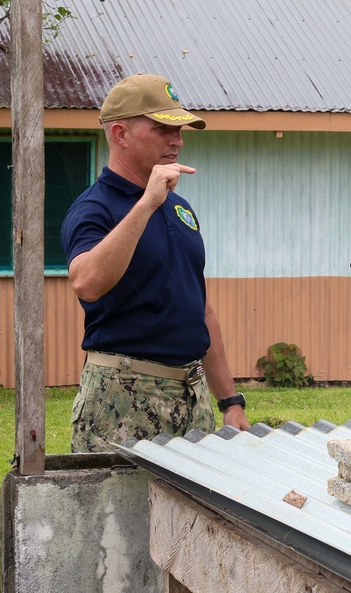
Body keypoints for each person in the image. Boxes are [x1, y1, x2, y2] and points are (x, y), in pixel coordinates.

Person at [61, 73, 250, 452]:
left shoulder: (179, 207)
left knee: (190, 513)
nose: (177, 140)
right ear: (120, 134)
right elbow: (87, 282)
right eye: (163, 129)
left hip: (191, 397)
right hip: (124, 396)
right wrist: (146, 204)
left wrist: (229, 401)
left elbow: (199, 307)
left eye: (179, 131)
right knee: (118, 512)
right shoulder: (95, 208)